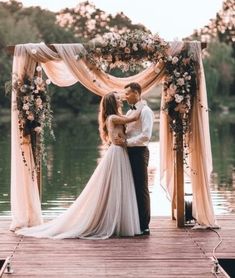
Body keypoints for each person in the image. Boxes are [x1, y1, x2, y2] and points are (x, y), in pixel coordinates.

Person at [16, 92, 142, 239]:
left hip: (120, 153)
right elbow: (132, 118)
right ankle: (111, 221)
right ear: (112, 103)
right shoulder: (113, 118)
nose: (121, 100)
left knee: (119, 186)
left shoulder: (114, 117)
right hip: (117, 153)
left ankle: (116, 220)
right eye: (118, 99)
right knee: (114, 186)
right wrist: (142, 104)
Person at [116, 82, 154, 235]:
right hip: (129, 152)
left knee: (141, 188)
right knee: (130, 187)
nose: (125, 97)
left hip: (139, 152)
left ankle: (144, 225)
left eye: (128, 94)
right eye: (125, 94)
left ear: (137, 93)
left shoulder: (145, 111)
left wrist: (126, 142)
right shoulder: (129, 111)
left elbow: (146, 135)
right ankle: (133, 221)